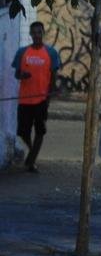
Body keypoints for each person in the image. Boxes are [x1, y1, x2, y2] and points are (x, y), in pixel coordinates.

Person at [12, 21, 62, 173]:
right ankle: (32, 153)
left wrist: (50, 94)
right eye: (34, 33)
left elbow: (53, 76)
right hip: (25, 99)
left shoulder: (51, 53)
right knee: (22, 132)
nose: (36, 35)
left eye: (39, 32)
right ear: (30, 34)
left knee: (40, 131)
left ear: (43, 33)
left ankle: (31, 160)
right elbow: (16, 74)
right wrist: (22, 75)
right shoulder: (22, 52)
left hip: (41, 99)